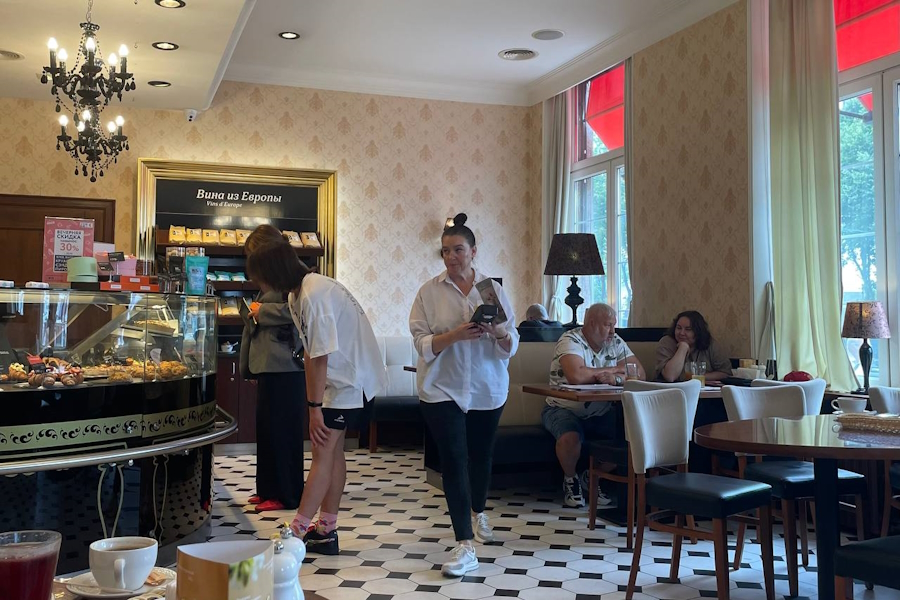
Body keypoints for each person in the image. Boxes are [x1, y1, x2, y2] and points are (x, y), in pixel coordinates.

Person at [246, 239, 386, 555]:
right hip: (342, 380)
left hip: (351, 381)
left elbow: (320, 355)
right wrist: (315, 402)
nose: (260, 285)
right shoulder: (299, 293)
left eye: (261, 278)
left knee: (322, 453)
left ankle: (294, 535)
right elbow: (310, 351)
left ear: (274, 272)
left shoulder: (314, 293)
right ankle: (325, 531)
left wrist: (314, 408)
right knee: (332, 453)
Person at [409, 213, 519, 577]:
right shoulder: (428, 292)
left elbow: (511, 344)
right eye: (445, 251)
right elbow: (421, 343)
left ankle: (479, 512)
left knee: (480, 456)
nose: (451, 257)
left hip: (487, 387)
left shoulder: (492, 291)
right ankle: (464, 544)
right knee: (454, 460)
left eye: (458, 250)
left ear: (473, 251)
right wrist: (456, 335)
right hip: (442, 387)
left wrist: (497, 332)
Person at [541, 303, 646, 508]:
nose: (613, 331)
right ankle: (571, 480)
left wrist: (616, 379)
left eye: (614, 325)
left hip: (602, 409)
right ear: (591, 323)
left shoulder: (615, 341)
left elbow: (639, 373)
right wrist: (614, 369)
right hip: (563, 407)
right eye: (608, 325)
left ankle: (592, 477)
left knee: (633, 438)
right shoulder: (570, 340)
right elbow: (576, 376)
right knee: (570, 438)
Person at [240, 226, 306, 512]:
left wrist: (261, 311)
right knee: (267, 431)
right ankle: (267, 489)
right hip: (268, 363)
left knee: (283, 433)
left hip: (286, 366)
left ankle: (287, 494)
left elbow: (298, 310)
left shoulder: (295, 273)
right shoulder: (272, 272)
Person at [655, 310, 732, 383]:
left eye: (688, 329)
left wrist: (697, 378)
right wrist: (683, 348)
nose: (681, 333)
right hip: (670, 390)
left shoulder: (710, 344)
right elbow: (670, 376)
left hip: (702, 390)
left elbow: (726, 373)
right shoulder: (667, 342)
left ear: (698, 332)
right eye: (678, 328)